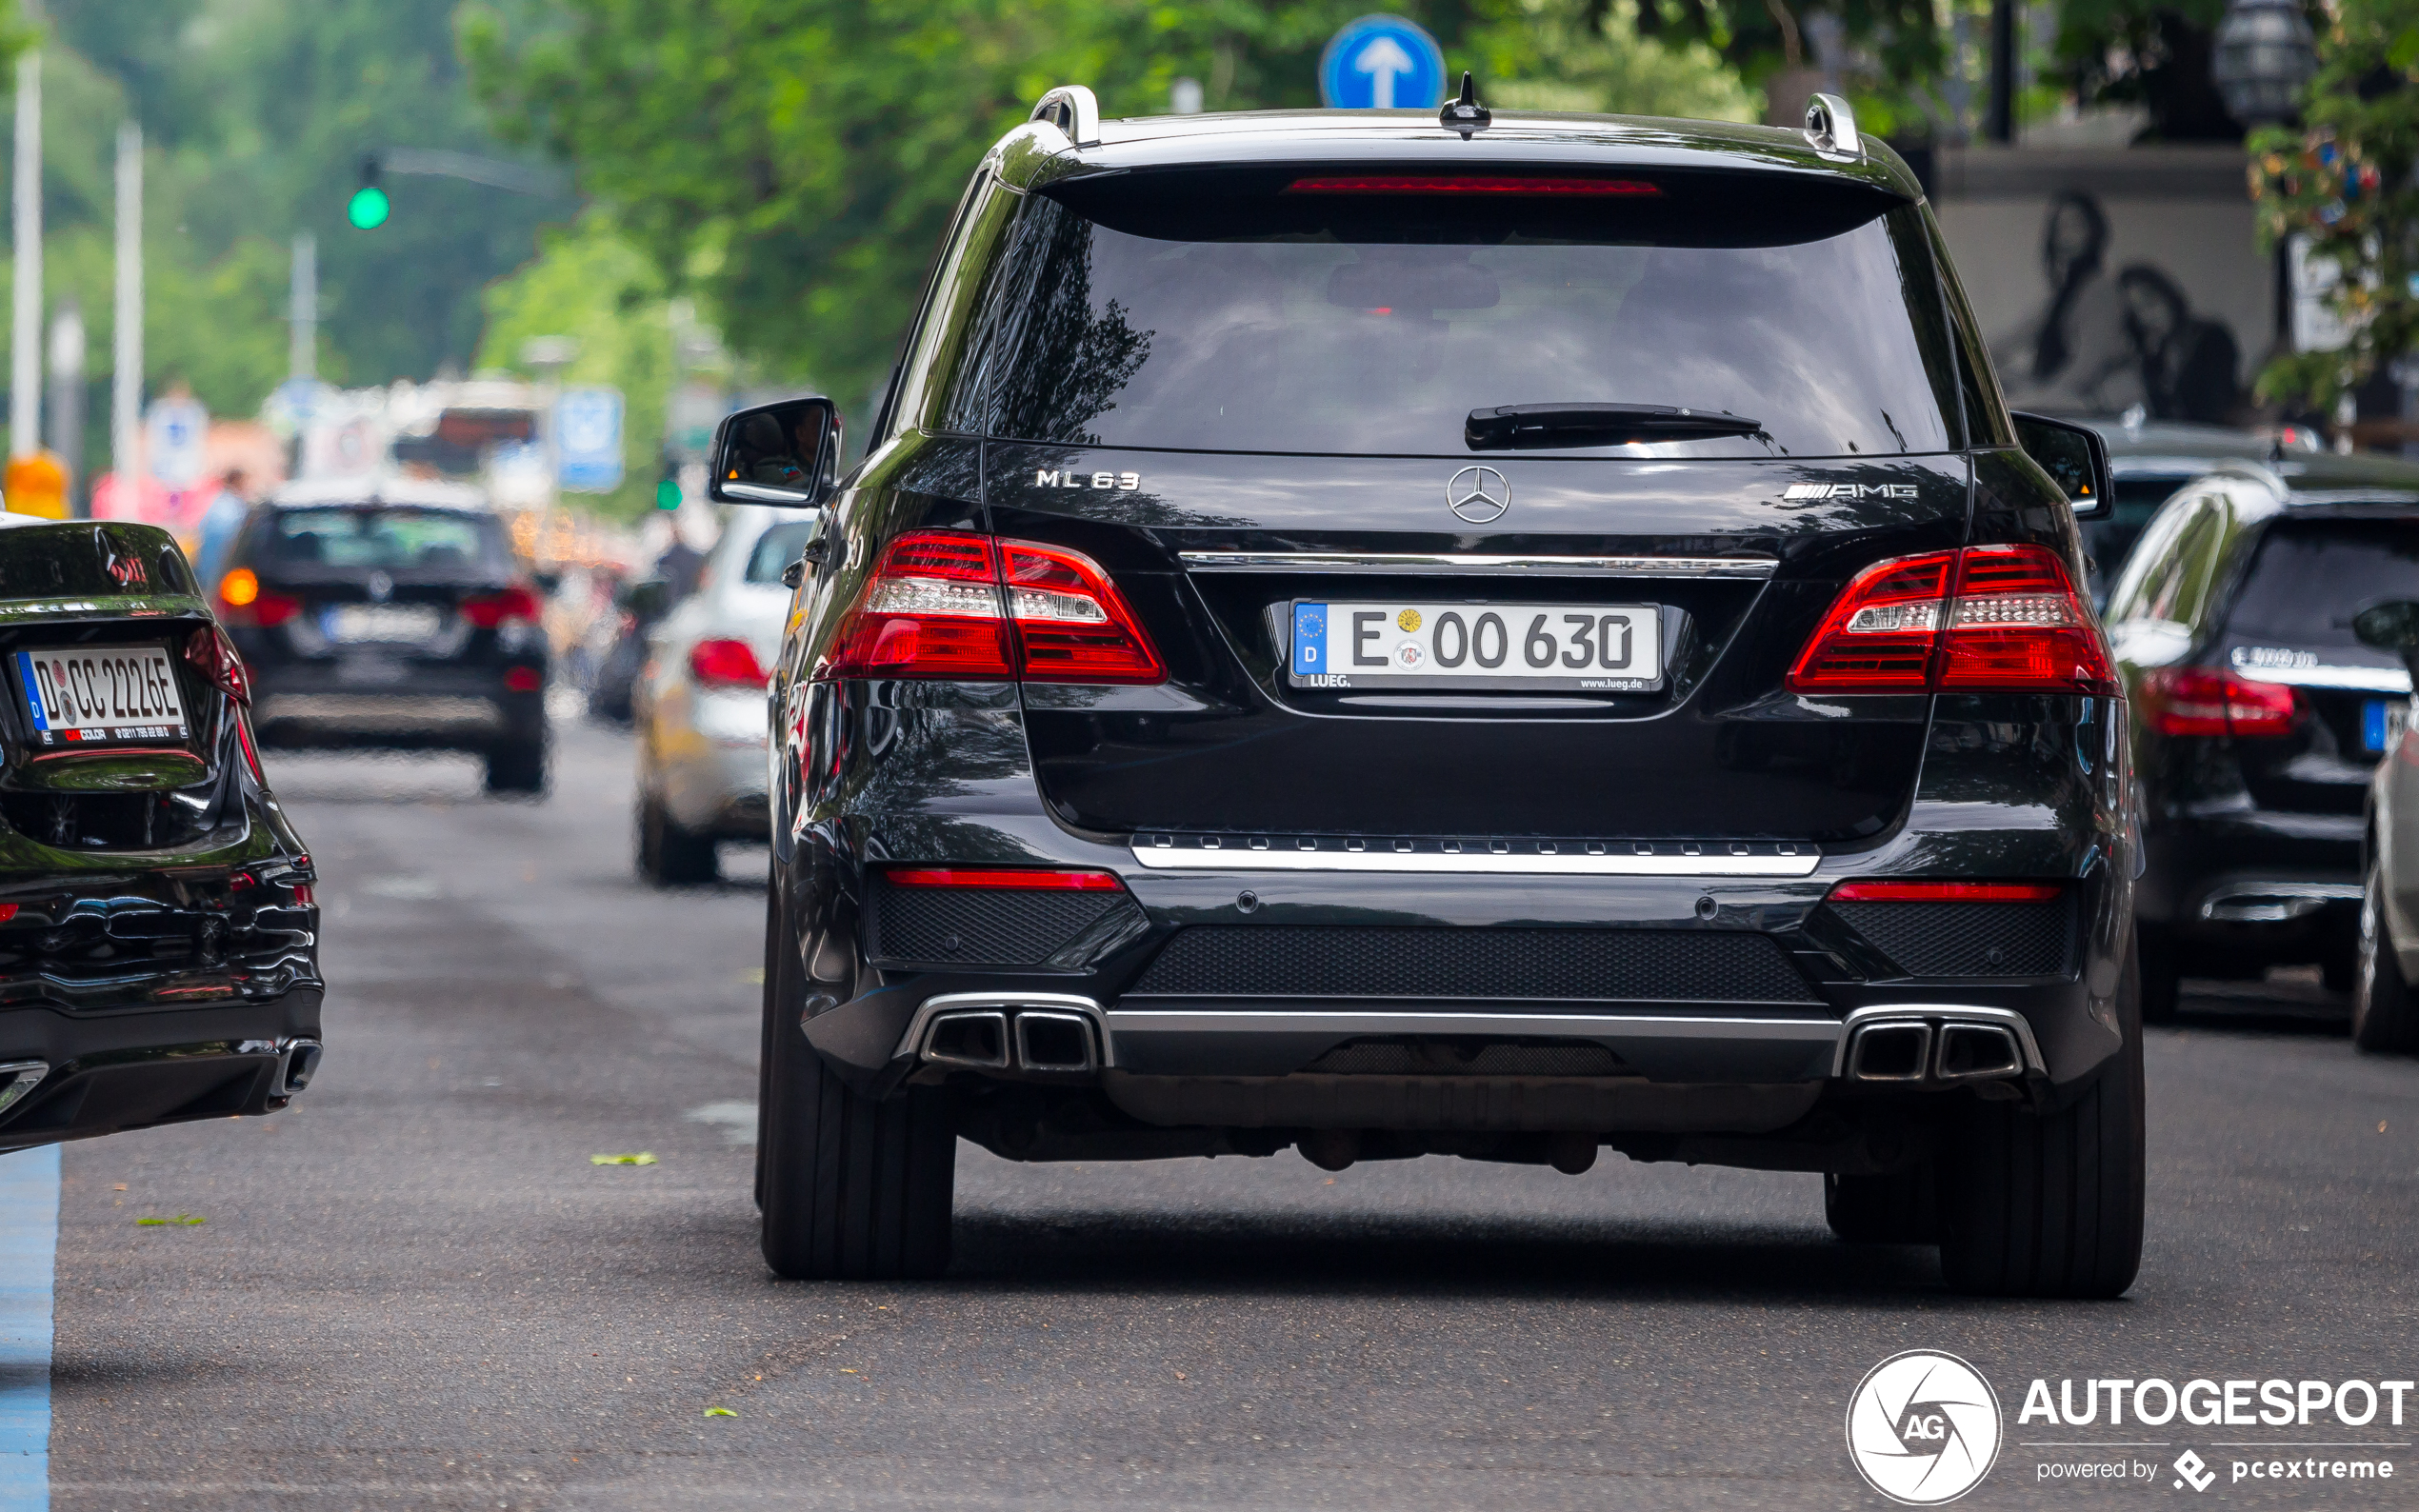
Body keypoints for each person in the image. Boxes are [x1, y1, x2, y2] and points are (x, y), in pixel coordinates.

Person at [2115, 265, 2242, 426]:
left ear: (2165, 294)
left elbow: (2216, 403)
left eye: (2149, 302)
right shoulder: (2153, 355)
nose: (2147, 317)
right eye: (2137, 312)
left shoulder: (2210, 337)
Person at [191, 469, 250, 592]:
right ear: (237, 481)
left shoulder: (221, 502)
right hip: (221, 564)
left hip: (212, 565)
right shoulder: (230, 506)